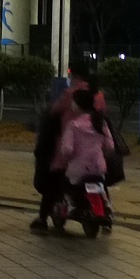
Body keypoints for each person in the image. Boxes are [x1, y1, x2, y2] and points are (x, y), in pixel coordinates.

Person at [32, 57, 102, 230]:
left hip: (69, 150)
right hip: (95, 155)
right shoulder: (99, 95)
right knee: (99, 181)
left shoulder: (72, 95)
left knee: (52, 179)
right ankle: (103, 210)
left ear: (75, 74)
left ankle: (42, 218)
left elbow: (54, 111)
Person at [53, 85, 115, 186]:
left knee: (65, 190)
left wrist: (65, 160)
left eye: (74, 101)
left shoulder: (73, 125)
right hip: (99, 168)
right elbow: (110, 146)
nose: (72, 104)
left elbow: (67, 150)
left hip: (78, 171)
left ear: (79, 104)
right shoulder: (100, 123)